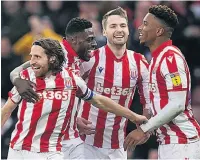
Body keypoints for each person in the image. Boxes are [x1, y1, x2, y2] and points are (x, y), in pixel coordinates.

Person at [2, 38, 147, 159]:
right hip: (19, 150)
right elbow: (6, 110)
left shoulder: (71, 80)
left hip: (52, 152)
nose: (32, 61)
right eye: (31, 56)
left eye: (37, 57)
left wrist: (133, 116)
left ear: (52, 59)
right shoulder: (27, 77)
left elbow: (99, 100)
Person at [9, 17, 98, 159]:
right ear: (75, 39)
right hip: (47, 140)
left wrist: (73, 118)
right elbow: (20, 69)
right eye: (89, 40)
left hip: (70, 136)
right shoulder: (58, 53)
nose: (93, 45)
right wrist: (15, 78)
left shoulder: (84, 58)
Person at [123, 5, 200, 159]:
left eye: (145, 24)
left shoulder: (170, 59)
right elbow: (163, 104)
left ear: (159, 31)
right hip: (169, 143)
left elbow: (177, 104)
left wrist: (144, 129)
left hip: (182, 143)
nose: (140, 28)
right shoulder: (157, 60)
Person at [75, 7, 151, 159]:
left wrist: (144, 129)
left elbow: (149, 101)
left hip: (117, 146)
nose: (119, 30)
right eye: (113, 26)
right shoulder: (90, 59)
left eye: (123, 26)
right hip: (83, 143)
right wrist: (74, 118)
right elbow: (67, 88)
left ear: (128, 30)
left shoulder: (139, 62)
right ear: (104, 32)